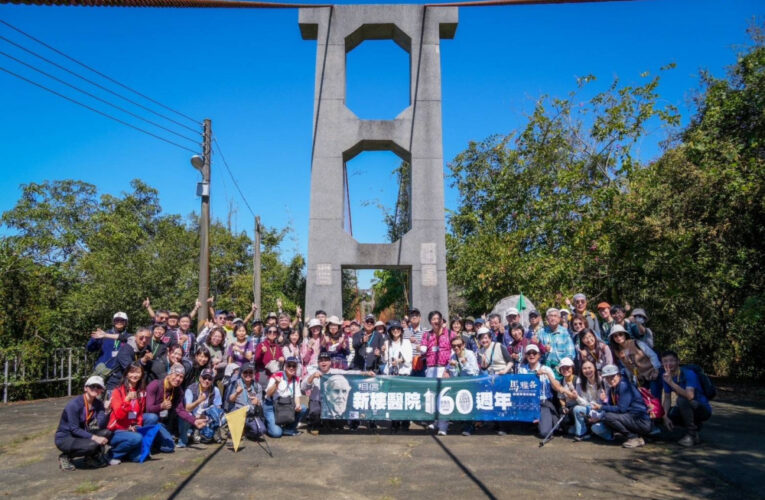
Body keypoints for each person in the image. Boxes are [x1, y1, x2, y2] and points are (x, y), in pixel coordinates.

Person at [145, 363, 208, 452]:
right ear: (169, 374)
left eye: (181, 377)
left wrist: (194, 421)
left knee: (169, 447)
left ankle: (155, 442)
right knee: (152, 417)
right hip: (147, 420)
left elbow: (180, 410)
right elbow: (148, 409)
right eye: (176, 375)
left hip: (159, 423)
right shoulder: (155, 385)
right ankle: (146, 443)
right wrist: (161, 406)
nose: (178, 379)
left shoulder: (178, 390)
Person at [55, 376, 112, 471]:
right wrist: (95, 438)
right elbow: (74, 429)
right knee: (93, 444)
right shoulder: (74, 405)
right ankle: (65, 456)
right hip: (66, 437)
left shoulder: (98, 403)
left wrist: (106, 411)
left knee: (107, 433)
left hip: (81, 433)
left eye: (99, 387)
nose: (95, 389)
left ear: (102, 390)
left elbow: (102, 425)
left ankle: (90, 458)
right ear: (86, 388)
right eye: (92, 386)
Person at [589, 364, 651, 448]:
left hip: (640, 420)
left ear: (618, 375)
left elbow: (621, 409)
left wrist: (601, 407)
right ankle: (635, 436)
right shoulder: (613, 389)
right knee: (605, 417)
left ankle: (634, 438)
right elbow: (610, 407)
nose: (610, 380)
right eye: (607, 377)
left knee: (608, 417)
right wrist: (604, 402)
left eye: (612, 376)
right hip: (630, 418)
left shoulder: (624, 386)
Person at [661, 351, 712, 446]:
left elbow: (690, 396)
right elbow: (667, 398)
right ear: (662, 363)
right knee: (668, 414)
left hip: (702, 408)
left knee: (681, 400)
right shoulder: (665, 376)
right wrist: (665, 417)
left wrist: (671, 382)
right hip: (687, 407)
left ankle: (691, 435)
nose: (668, 364)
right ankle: (696, 427)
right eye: (665, 361)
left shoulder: (688, 373)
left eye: (671, 360)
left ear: (678, 361)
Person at [517, 344, 563, 438]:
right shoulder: (522, 370)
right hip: (528, 403)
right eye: (529, 353)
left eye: (534, 353)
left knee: (545, 433)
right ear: (525, 356)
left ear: (539, 355)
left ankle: (546, 419)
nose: (531, 355)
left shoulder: (546, 369)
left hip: (543, 402)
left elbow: (556, 388)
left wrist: (547, 375)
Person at [107, 362, 147, 464]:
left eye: (138, 372)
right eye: (132, 372)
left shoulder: (141, 391)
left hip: (131, 428)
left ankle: (126, 453)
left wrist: (137, 425)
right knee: (137, 438)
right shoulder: (118, 391)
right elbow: (119, 415)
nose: (135, 375)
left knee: (139, 457)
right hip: (117, 430)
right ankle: (111, 454)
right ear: (127, 374)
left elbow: (140, 413)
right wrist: (127, 399)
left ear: (142, 374)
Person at [441, 336, 480, 436]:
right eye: (454, 346)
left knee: (468, 405)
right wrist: (447, 371)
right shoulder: (453, 356)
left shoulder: (470, 354)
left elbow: (475, 373)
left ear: (463, 345)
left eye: (458, 345)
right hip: (458, 385)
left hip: (470, 384)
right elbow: (449, 369)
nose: (456, 348)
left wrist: (464, 363)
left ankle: (469, 426)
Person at [609, 324, 661, 397]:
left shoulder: (636, 343)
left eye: (620, 334)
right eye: (615, 336)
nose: (618, 337)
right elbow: (626, 366)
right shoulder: (617, 351)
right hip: (640, 379)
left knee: (655, 398)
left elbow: (652, 355)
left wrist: (656, 370)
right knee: (645, 401)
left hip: (652, 374)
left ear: (625, 335)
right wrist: (632, 379)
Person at [263, 357, 308, 437]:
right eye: (289, 365)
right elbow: (268, 394)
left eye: (294, 366)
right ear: (285, 366)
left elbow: (297, 396)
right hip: (271, 406)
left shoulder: (296, 379)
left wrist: (297, 405)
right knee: (276, 433)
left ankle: (289, 429)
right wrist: (276, 384)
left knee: (303, 408)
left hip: (285, 405)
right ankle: (268, 424)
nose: (291, 368)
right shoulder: (276, 375)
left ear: (296, 368)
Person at [181, 368, 223, 446]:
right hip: (193, 416)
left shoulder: (215, 390)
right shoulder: (191, 389)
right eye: (204, 378)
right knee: (188, 416)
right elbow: (187, 409)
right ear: (200, 378)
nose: (207, 380)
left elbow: (218, 408)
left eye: (210, 379)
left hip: (207, 416)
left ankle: (211, 430)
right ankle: (194, 430)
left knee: (222, 416)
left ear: (212, 380)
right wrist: (199, 400)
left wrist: (210, 418)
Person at [225, 362, 265, 441]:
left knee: (261, 431)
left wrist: (257, 402)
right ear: (241, 373)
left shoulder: (257, 386)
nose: (248, 374)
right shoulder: (235, 384)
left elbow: (261, 403)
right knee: (232, 435)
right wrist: (236, 393)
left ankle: (247, 432)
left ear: (254, 373)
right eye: (245, 372)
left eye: (250, 372)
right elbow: (229, 400)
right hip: (238, 413)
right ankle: (239, 428)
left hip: (251, 414)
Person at [572, 359, 606, 441]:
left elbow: (608, 404)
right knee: (577, 409)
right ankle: (581, 433)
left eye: (589, 367)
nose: (587, 370)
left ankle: (596, 430)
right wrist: (577, 397)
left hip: (603, 411)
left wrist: (599, 416)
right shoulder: (580, 381)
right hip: (590, 409)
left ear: (595, 368)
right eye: (584, 368)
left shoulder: (603, 380)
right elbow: (584, 403)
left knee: (599, 430)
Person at [539, 308, 576, 379]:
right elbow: (537, 352)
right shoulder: (541, 332)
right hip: (545, 369)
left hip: (562, 370)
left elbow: (571, 353)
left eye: (555, 316)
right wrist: (543, 350)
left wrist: (563, 366)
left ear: (559, 319)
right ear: (547, 319)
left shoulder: (565, 332)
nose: (553, 318)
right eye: (551, 316)